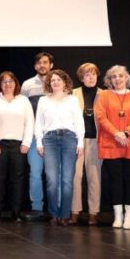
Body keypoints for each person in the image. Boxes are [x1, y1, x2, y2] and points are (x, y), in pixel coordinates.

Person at [95, 65, 130, 230]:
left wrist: (126, 133)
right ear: (110, 80)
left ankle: (129, 217)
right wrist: (117, 133)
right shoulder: (103, 95)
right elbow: (101, 117)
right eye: (114, 76)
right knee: (115, 180)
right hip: (111, 143)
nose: (117, 79)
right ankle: (118, 216)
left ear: (127, 78)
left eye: (120, 76)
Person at [34, 70, 84, 226]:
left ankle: (65, 215)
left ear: (65, 82)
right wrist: (39, 142)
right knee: (52, 180)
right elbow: (39, 123)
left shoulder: (72, 100)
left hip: (70, 139)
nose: (55, 82)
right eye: (52, 80)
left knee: (68, 180)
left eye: (58, 79)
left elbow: (79, 122)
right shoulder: (43, 100)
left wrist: (80, 142)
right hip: (49, 140)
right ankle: (54, 214)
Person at [0, 71, 34, 222]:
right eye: (4, 82)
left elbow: (30, 122)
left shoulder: (23, 100)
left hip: (19, 145)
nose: (8, 84)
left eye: (10, 81)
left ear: (15, 84)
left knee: (17, 179)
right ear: (0, 84)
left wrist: (26, 142)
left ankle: (16, 212)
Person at [20, 51, 54, 221]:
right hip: (34, 136)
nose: (42, 65)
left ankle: (55, 207)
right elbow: (22, 109)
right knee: (35, 173)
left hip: (54, 136)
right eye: (39, 63)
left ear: (51, 65)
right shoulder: (27, 85)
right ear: (35, 66)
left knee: (54, 174)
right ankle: (37, 208)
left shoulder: (58, 82)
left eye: (45, 62)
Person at [71, 63, 103, 225]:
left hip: (96, 140)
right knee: (76, 177)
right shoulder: (73, 94)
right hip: (77, 141)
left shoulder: (104, 94)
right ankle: (75, 211)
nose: (90, 78)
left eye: (93, 74)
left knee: (94, 177)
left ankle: (93, 212)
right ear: (81, 78)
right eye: (86, 75)